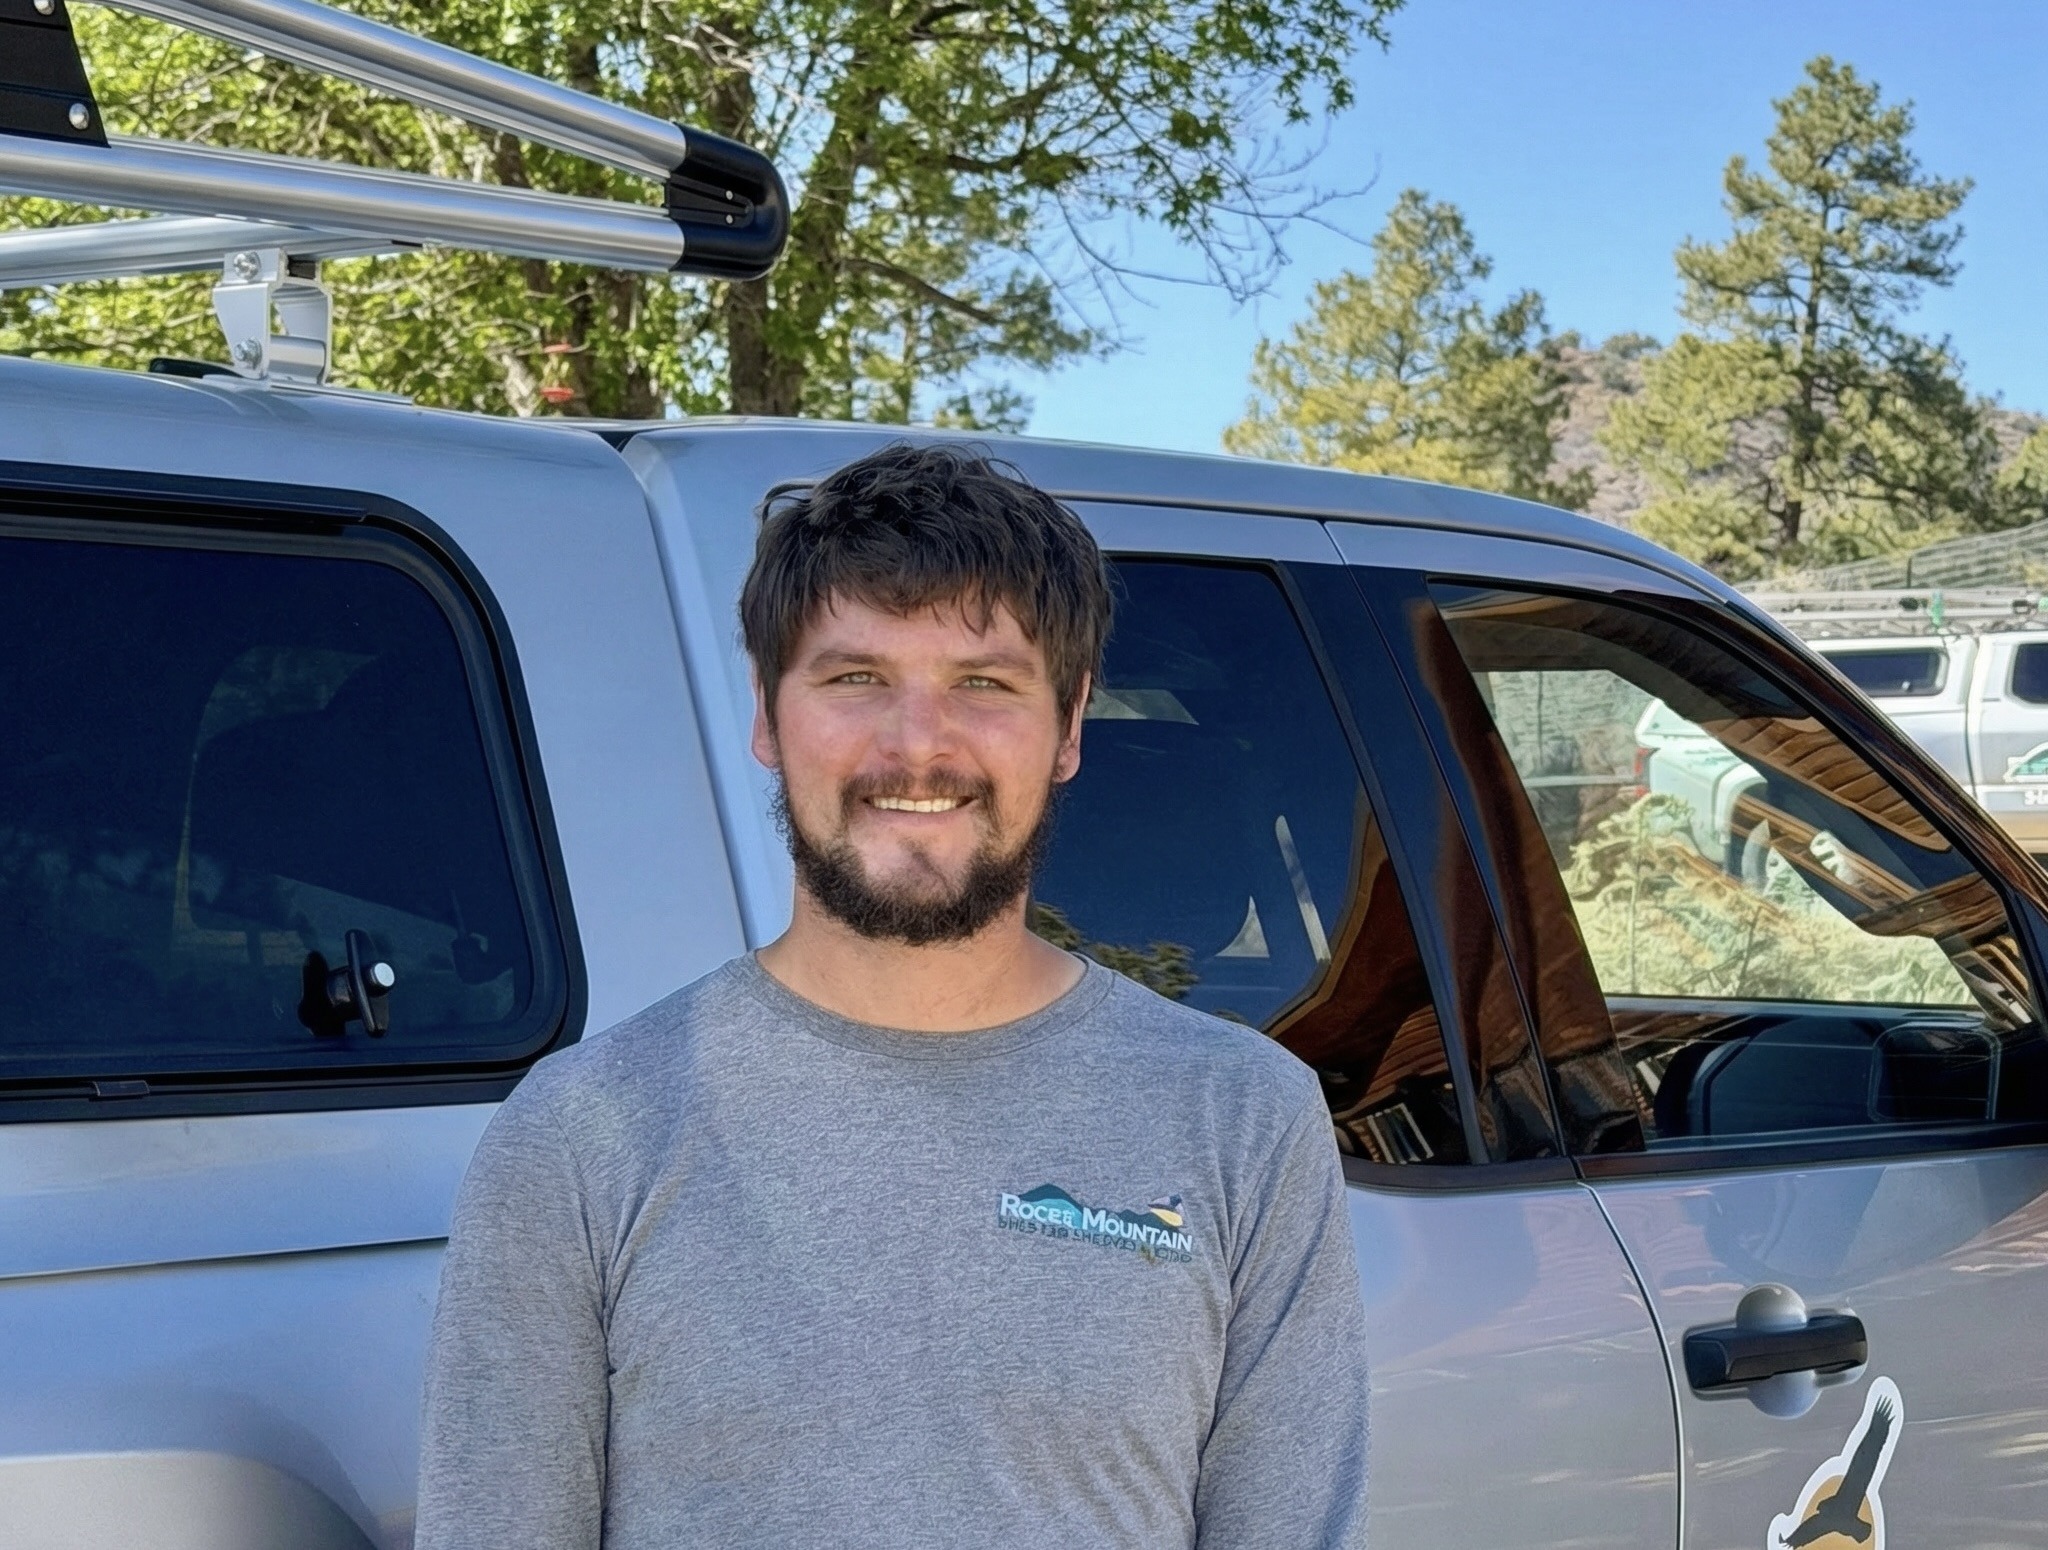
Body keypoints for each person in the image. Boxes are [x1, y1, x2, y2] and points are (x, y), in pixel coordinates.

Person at [414, 443, 1371, 1549]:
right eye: (854, 676)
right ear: (769, 719)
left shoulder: (1245, 1119)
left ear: (1066, 729)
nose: (917, 745)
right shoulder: (583, 1131)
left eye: (983, 682)